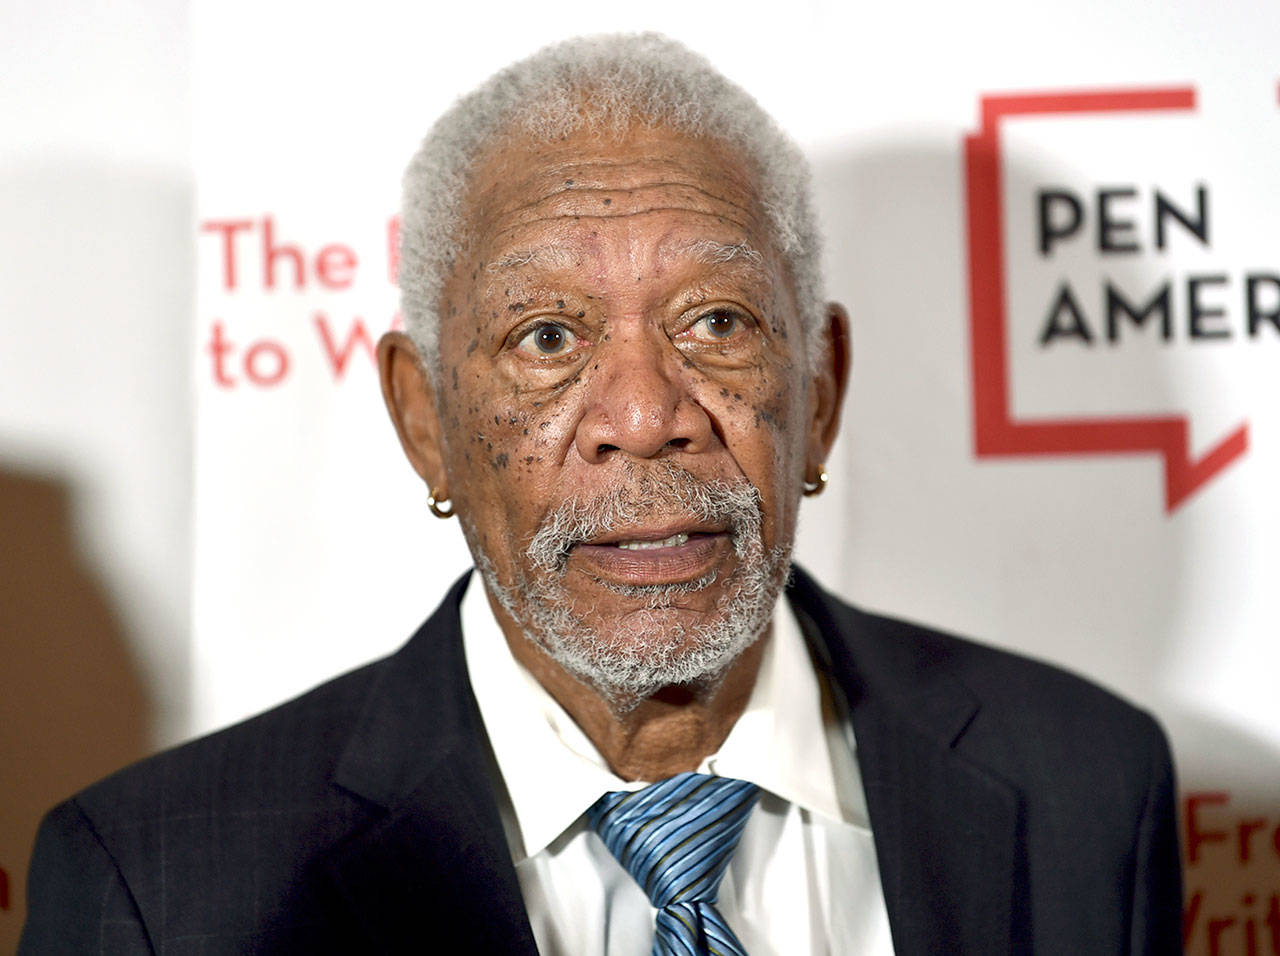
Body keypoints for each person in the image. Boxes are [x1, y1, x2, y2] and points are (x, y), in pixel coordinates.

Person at [20, 33, 1182, 955]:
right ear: (425, 420)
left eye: (715, 321)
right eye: (546, 335)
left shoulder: (1082, 783)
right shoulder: (160, 890)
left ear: (817, 387)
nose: (643, 415)